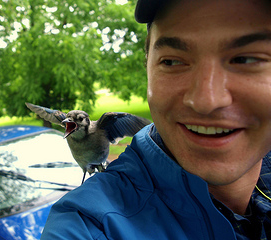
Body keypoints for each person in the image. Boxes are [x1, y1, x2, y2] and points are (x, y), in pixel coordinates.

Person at [41, 0, 271, 239]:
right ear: (147, 68)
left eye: (246, 59)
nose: (206, 101)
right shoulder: (88, 226)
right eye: (171, 61)